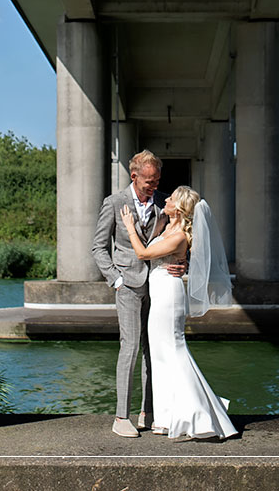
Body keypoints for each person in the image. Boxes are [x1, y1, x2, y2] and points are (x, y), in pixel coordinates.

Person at [121, 185, 238, 440]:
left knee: (173, 350)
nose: (167, 199)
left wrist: (130, 226)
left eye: (172, 197)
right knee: (161, 355)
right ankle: (165, 418)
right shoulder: (168, 227)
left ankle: (197, 414)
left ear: (180, 207)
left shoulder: (179, 235)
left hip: (168, 297)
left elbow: (143, 253)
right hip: (160, 293)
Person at [92, 150, 183, 438]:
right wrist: (115, 280)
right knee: (129, 347)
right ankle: (121, 417)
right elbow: (98, 247)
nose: (154, 186)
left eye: (157, 180)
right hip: (128, 286)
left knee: (152, 349)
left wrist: (183, 265)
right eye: (149, 181)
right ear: (134, 176)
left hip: (157, 285)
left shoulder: (163, 202)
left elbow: (180, 238)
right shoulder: (114, 202)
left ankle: (149, 412)